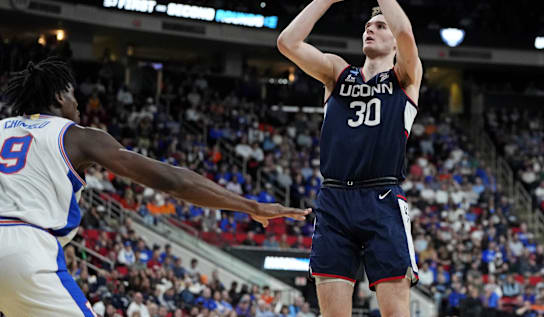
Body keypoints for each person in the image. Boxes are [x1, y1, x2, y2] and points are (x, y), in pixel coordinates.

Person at [0, 57, 311, 316]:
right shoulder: (77, 135)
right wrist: (250, 206)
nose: (77, 102)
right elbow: (172, 180)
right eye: (72, 94)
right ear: (58, 97)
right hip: (27, 248)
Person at [277, 0, 422, 317]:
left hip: (382, 197)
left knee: (395, 312)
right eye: (367, 26)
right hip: (335, 198)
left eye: (379, 26)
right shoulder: (337, 73)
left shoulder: (405, 77)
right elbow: (287, 43)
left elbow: (406, 33)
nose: (370, 30)